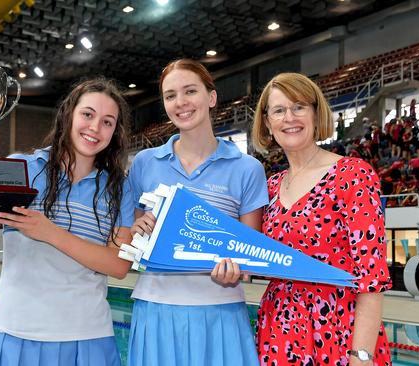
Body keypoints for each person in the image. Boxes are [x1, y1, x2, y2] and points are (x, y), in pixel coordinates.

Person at [0, 78, 134, 366]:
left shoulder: (118, 188)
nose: (95, 128)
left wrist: (49, 233)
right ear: (68, 115)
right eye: (87, 114)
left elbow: (119, 266)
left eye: (108, 122)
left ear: (115, 131)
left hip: (87, 336)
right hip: (16, 332)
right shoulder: (25, 169)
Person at [127, 59, 268, 366]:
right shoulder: (144, 163)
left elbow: (251, 253)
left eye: (190, 91)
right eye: (170, 95)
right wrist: (138, 232)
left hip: (221, 311)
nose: (180, 103)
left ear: (211, 97)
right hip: (156, 308)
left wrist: (238, 267)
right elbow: (133, 235)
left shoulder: (247, 169)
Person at [251, 72, 392, 365]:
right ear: (267, 122)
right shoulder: (270, 187)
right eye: (279, 110)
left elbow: (372, 278)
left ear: (316, 113)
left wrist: (361, 356)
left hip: (338, 330)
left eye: (299, 106)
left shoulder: (353, 175)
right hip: (279, 331)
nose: (289, 117)